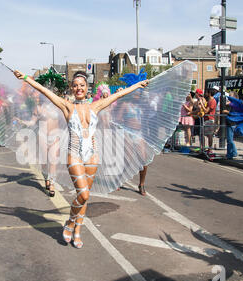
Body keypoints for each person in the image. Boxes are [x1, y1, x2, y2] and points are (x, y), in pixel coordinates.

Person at [13, 69, 149, 248]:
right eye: (75, 85)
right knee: (83, 193)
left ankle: (77, 230)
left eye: (82, 85)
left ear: (87, 88)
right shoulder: (67, 106)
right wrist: (26, 79)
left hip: (92, 155)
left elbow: (118, 96)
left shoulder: (96, 106)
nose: (79, 88)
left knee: (84, 196)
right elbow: (44, 91)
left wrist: (137, 85)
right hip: (74, 154)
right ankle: (70, 222)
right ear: (72, 88)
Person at [221, 91, 238, 159]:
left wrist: (226, 111)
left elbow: (234, 114)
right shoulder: (232, 103)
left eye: (230, 95)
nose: (229, 97)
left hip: (232, 123)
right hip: (230, 123)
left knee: (229, 140)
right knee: (229, 140)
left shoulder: (234, 104)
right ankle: (232, 153)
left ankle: (231, 154)